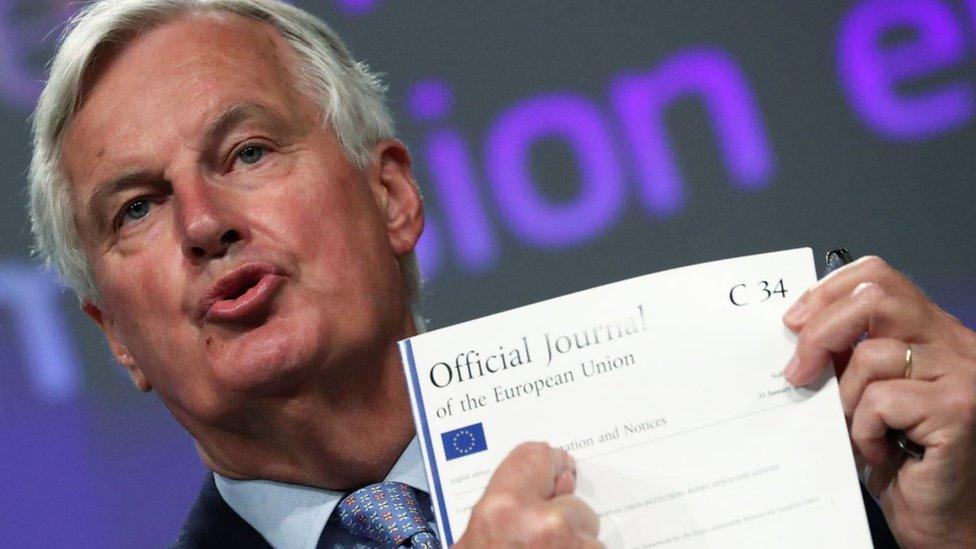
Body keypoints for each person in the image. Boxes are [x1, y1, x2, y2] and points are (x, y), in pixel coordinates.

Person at [26, 0, 976, 547]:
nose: (202, 223)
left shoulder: (798, 470)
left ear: (393, 195)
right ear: (113, 333)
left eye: (248, 152)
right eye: (136, 208)